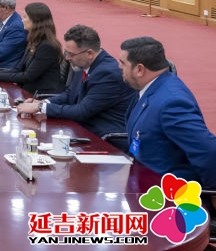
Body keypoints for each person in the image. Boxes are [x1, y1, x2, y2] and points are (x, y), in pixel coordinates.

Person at [118, 37, 216, 189]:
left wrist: (211, 192)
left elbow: (208, 150)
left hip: (166, 193)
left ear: (139, 69)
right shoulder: (148, 88)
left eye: (123, 63)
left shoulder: (171, 103)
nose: (119, 67)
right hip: (141, 182)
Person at [16, 25, 136, 147]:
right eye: (66, 52)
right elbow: (70, 94)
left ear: (89, 53)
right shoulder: (83, 63)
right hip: (81, 130)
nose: (67, 58)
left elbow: (82, 111)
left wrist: (41, 107)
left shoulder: (107, 74)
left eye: (71, 54)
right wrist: (43, 102)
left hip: (106, 139)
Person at [0, 2, 65, 95]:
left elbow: (28, 76)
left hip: (40, 95)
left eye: (25, 17)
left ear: (35, 21)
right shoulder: (34, 40)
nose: (21, 20)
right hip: (27, 90)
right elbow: (18, 68)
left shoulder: (47, 46)